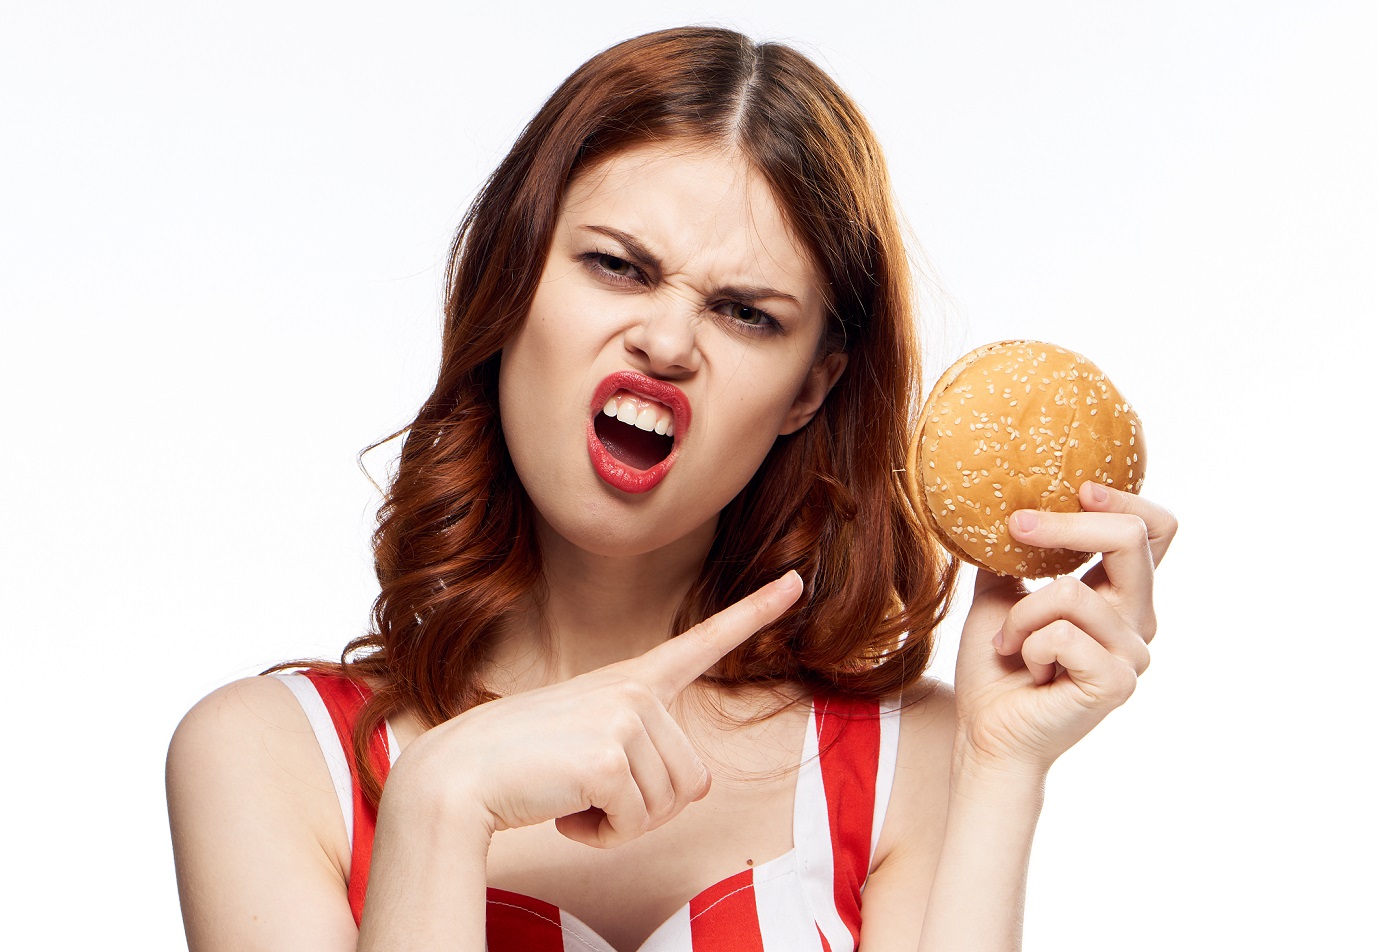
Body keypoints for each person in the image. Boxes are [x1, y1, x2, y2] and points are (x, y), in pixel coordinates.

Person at [167, 25, 1176, 952]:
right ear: (513, 279)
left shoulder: (913, 759)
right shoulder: (268, 762)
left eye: (745, 313)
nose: (665, 341)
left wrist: (1002, 770)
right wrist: (443, 798)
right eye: (616, 265)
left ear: (808, 389)